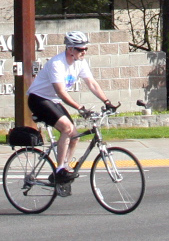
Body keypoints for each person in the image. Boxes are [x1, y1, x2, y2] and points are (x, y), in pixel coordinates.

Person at [27, 31, 115, 186]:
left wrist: (107, 101)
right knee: (67, 128)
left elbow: (92, 84)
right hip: (39, 99)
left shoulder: (80, 63)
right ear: (70, 49)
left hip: (52, 100)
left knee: (74, 135)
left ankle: (64, 169)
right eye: (80, 49)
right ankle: (60, 169)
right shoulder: (57, 64)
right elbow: (61, 92)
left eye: (85, 49)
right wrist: (80, 107)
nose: (84, 52)